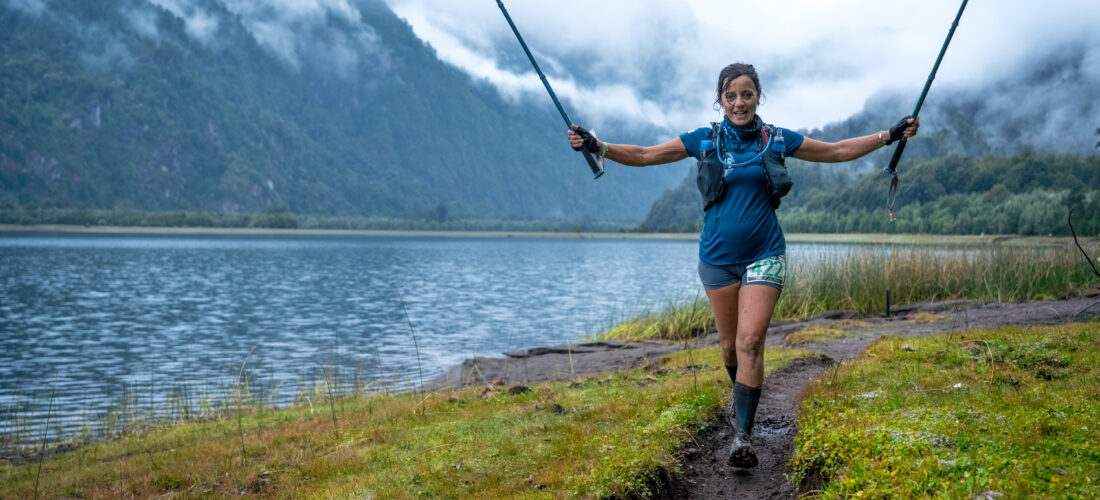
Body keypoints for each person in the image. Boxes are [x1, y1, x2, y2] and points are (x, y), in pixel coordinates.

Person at [567, 63, 919, 468]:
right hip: (716, 260)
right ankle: (744, 404)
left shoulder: (777, 139)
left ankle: (742, 435)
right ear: (720, 100)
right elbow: (645, 155)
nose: (739, 102)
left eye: (747, 94)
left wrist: (888, 136)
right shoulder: (704, 140)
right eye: (730, 95)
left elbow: (836, 150)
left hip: (765, 254)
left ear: (758, 97)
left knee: (750, 342)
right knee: (729, 345)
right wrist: (598, 146)